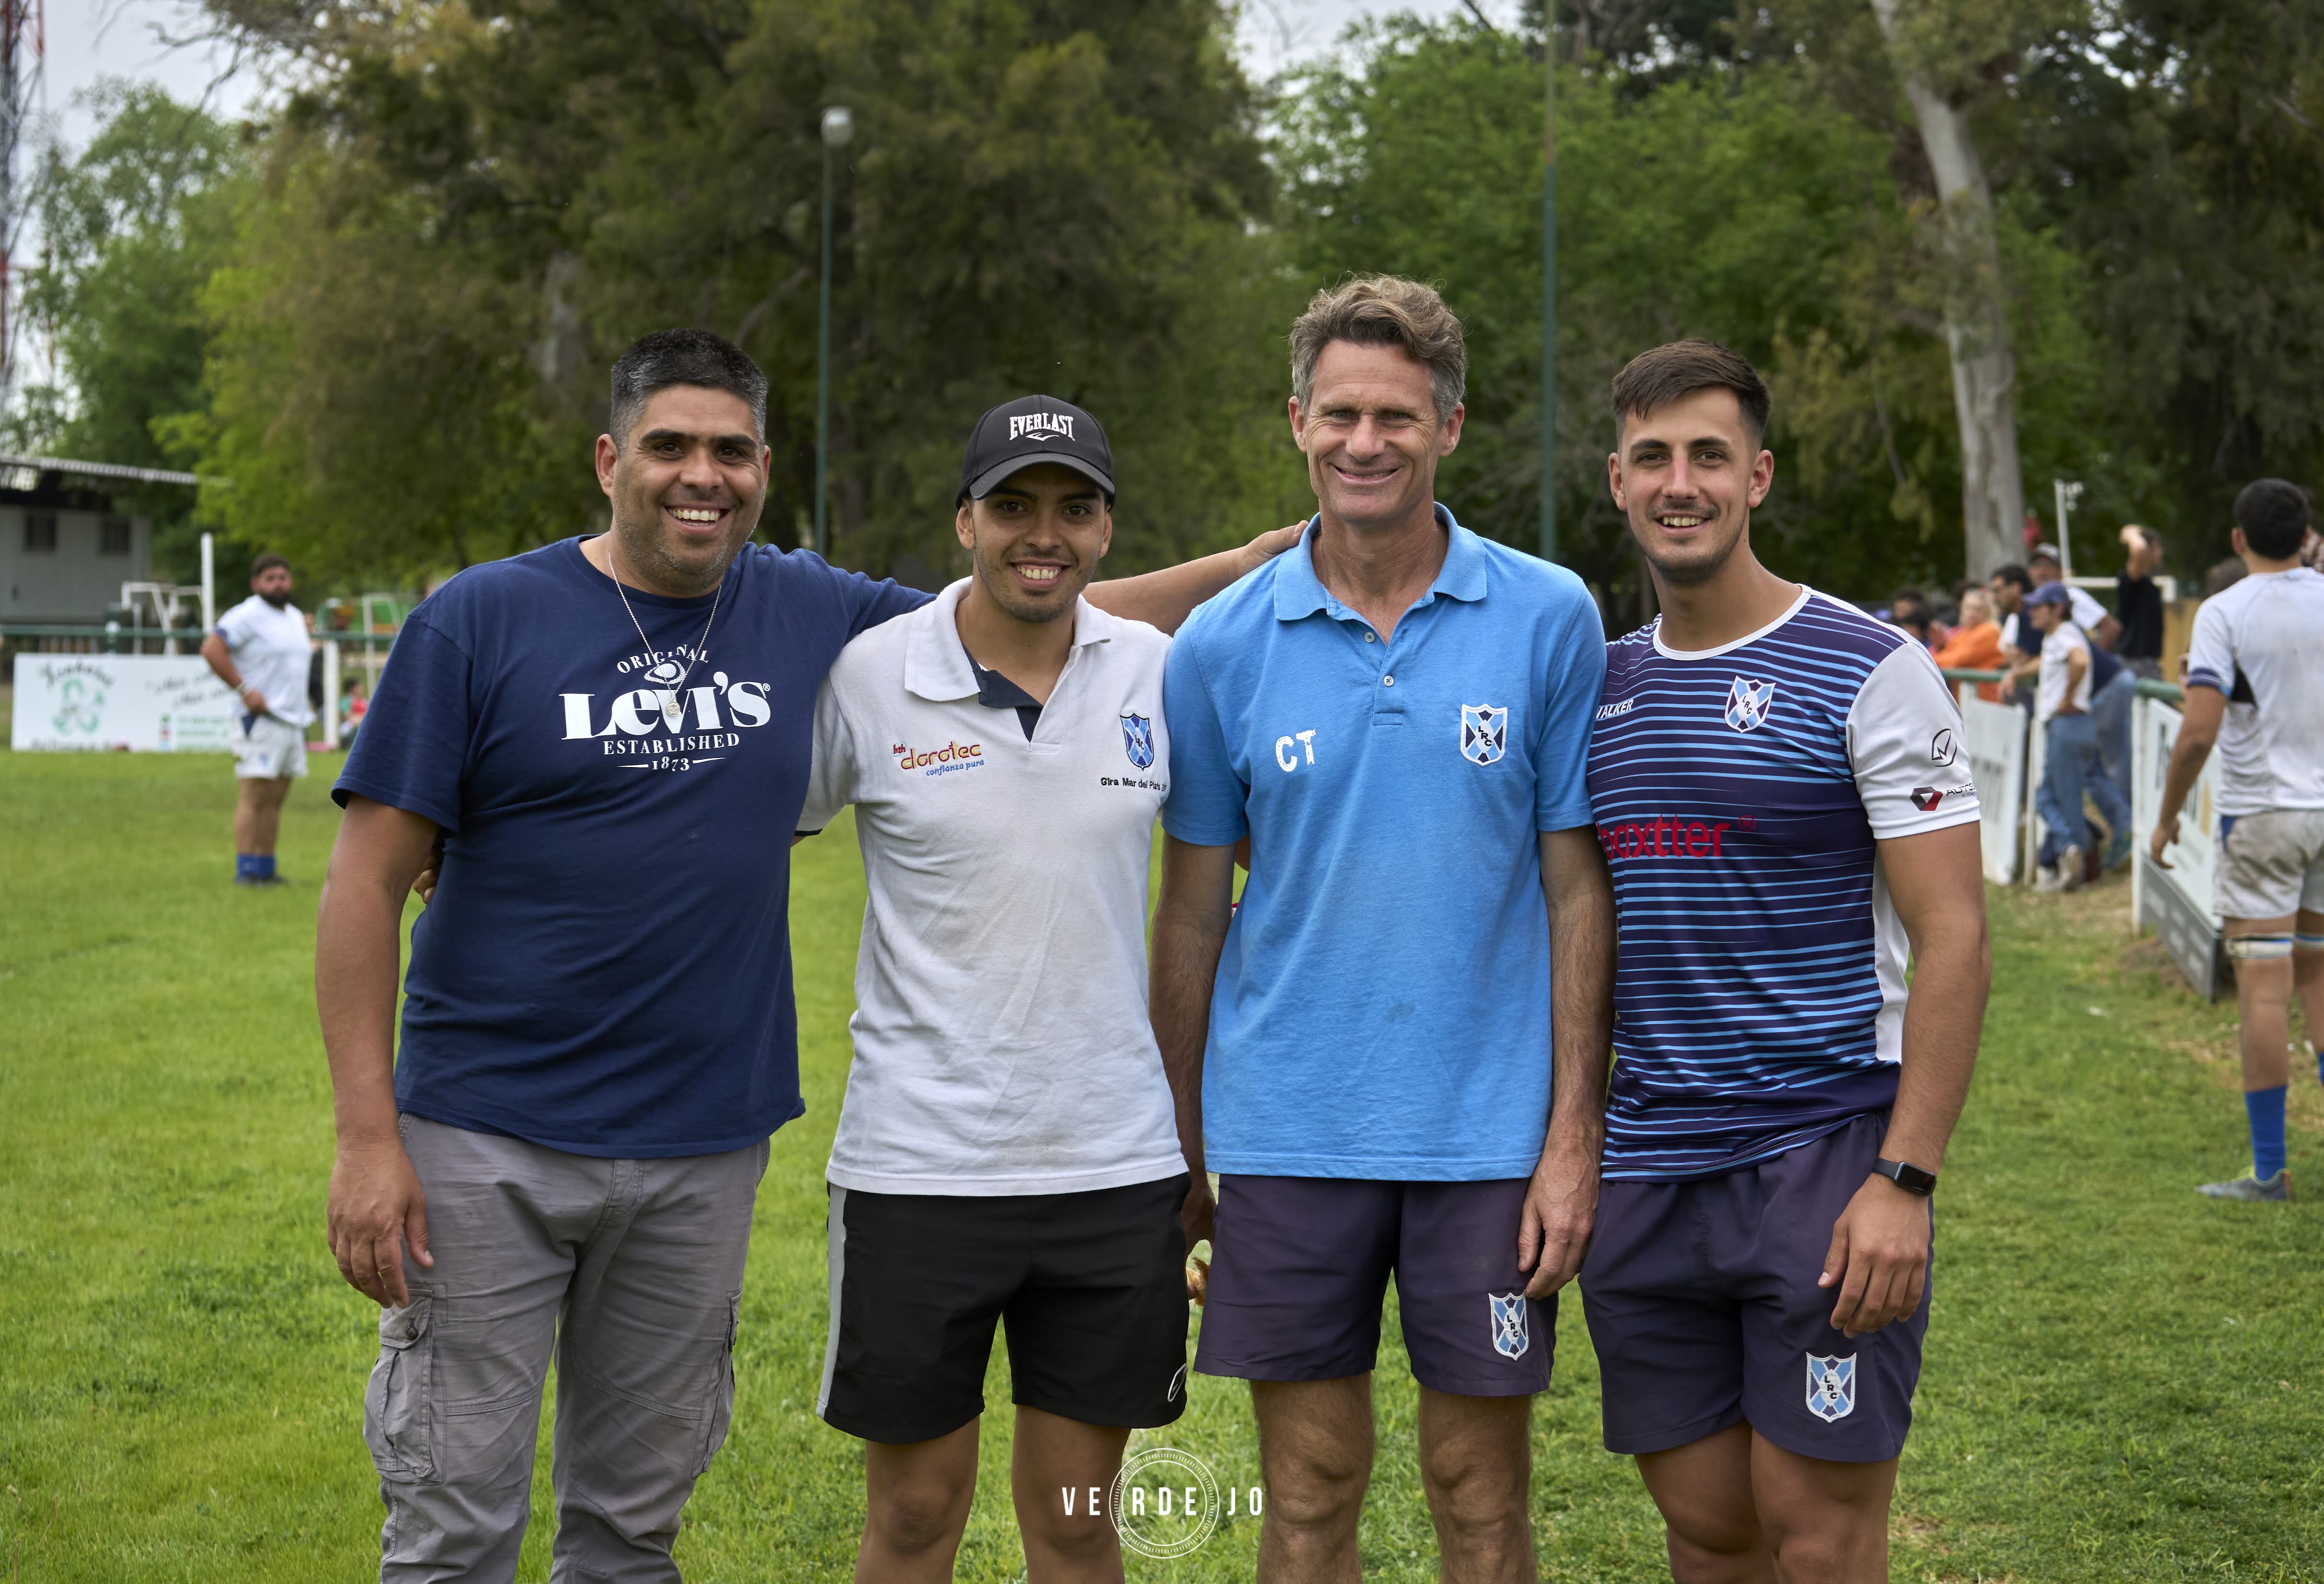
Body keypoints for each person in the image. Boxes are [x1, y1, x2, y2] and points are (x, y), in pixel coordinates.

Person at [314, 328, 1297, 1583]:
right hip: (498, 1138)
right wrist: (365, 1132)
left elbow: (1043, 603)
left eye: (729, 449)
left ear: (763, 466)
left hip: (706, 1147)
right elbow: (364, 880)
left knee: (631, 1523)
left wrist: (1257, 564)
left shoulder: (804, 609)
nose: (699, 474)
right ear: (609, 457)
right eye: (668, 445)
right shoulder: (482, 619)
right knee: (457, 1523)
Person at [1148, 275, 1613, 1583]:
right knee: (1306, 1487)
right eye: (1340, 413)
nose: (1366, 442)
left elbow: (1580, 888)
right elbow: (1188, 915)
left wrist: (1571, 1136)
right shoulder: (1217, 645)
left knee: (1479, 1490)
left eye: (1397, 417)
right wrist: (1176, 1140)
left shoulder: (1547, 613)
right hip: (1289, 1127)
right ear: (1296, 420)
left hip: (1489, 1139)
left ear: (1448, 426)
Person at [1580, 339, 1990, 1582]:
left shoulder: (1869, 665)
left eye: (1707, 453)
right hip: (1645, 1171)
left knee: (1816, 1533)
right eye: (1651, 456)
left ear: (1756, 475)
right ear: (1615, 480)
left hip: (1819, 1158)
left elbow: (1955, 933)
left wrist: (1901, 1178)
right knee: (1708, 1523)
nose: (1679, 481)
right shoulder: (1599, 687)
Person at [798, 396, 1199, 1583]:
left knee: (1077, 1522)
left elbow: (1219, 890)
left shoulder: (1160, 674)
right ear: (965, 518)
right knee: (915, 1516)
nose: (1044, 533)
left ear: (1107, 528)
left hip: (1112, 1171)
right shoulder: (872, 675)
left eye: (1072, 507)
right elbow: (731, 826)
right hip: (921, 1171)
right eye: (1013, 505)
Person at [2150, 478, 2324, 1202]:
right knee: (2317, 976)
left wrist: (2165, 818)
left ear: (2237, 539)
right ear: (2307, 532)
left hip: (2260, 814)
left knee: (2262, 989)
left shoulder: (2222, 612)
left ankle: (2268, 1170)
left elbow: (2196, 731)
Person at [200, 554, 316, 887]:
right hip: (259, 719)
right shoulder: (247, 615)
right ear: (256, 584)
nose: (278, 583)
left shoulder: (293, 616)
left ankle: (266, 867)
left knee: (276, 797)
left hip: (290, 719)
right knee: (254, 794)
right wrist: (244, 689)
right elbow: (211, 649)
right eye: (270, 578)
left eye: (283, 577)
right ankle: (246, 870)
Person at [2023, 582, 2132, 887]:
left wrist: (2068, 697)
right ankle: (2074, 848)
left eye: (2038, 607)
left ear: (2057, 608)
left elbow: (2081, 661)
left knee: (2065, 799)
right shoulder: (2060, 635)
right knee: (2046, 796)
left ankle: (2074, 859)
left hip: (2067, 724)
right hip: (2071, 726)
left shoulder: (2065, 633)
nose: (2031, 612)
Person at [1932, 588, 2005, 701]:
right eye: (1968, 608)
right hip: (1969, 699)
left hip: (1986, 701)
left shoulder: (1989, 631)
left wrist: (1927, 659)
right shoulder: (1963, 633)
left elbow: (1956, 660)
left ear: (1988, 611)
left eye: (1978, 609)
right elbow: (1947, 655)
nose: (1972, 614)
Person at [2115, 524, 2167, 680]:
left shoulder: (2147, 585)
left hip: (2147, 664)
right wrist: (2131, 532)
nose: (2161, 552)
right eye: (2157, 547)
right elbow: (2139, 549)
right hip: (2134, 665)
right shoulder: (2131, 582)